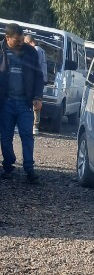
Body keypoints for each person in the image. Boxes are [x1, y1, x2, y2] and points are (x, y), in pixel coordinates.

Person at [0, 23, 45, 182]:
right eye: (17, 40)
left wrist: (38, 97)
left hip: (25, 103)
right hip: (6, 103)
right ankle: (8, 166)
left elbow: (39, 76)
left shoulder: (30, 52)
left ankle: (29, 169)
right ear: (7, 38)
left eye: (22, 40)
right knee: (5, 137)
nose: (20, 43)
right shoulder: (1, 50)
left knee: (27, 135)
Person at [24, 34, 48, 135]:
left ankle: (34, 126)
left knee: (35, 102)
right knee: (36, 102)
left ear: (30, 42)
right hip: (41, 79)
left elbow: (34, 66)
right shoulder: (42, 50)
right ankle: (34, 125)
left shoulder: (36, 50)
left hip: (36, 79)